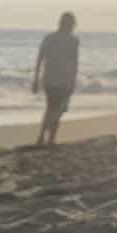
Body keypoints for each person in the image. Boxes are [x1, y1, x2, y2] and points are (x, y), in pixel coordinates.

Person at [32, 11, 80, 147]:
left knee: (54, 109)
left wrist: (36, 78)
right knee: (56, 109)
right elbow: (74, 63)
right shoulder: (71, 41)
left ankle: (47, 138)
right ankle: (46, 138)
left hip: (52, 79)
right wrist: (73, 80)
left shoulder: (51, 38)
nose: (72, 27)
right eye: (72, 25)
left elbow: (40, 59)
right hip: (61, 80)